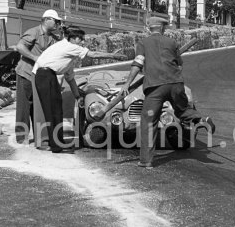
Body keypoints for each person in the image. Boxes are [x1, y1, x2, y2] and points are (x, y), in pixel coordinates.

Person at [120, 16, 214, 168]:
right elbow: (179, 65)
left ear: (148, 28)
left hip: (155, 87)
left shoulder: (143, 43)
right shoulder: (172, 42)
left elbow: (137, 64)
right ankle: (200, 120)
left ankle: (146, 161)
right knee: (182, 110)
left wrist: (127, 84)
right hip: (176, 84)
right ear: (163, 28)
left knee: (149, 121)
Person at [33, 27, 125, 153]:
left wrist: (77, 96)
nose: (82, 42)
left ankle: (57, 143)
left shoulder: (67, 56)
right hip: (45, 75)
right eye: (80, 39)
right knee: (52, 111)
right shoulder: (69, 46)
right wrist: (115, 56)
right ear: (72, 38)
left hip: (49, 76)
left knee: (57, 110)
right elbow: (93, 54)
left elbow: (70, 79)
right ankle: (55, 145)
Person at [14, 9, 62, 144]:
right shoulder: (33, 32)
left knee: (39, 105)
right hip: (26, 73)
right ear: (47, 20)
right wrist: (36, 58)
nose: (58, 24)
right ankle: (21, 137)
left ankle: (39, 136)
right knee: (24, 107)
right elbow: (20, 47)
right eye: (56, 21)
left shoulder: (54, 38)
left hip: (40, 77)